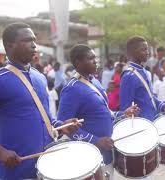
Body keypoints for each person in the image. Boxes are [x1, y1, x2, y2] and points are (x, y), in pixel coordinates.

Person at [0, 22, 80, 180]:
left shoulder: (39, 77)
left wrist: (61, 126)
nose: (34, 45)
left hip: (47, 167)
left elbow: (46, 117)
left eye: (34, 40)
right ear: (10, 46)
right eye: (28, 40)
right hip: (15, 170)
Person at [57, 44, 140, 179]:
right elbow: (64, 127)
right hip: (88, 158)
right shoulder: (72, 88)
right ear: (78, 62)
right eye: (91, 58)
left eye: (95, 58)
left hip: (106, 153)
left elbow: (103, 112)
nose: (96, 61)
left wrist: (123, 113)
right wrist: (96, 140)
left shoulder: (94, 81)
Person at [120, 36, 165, 122]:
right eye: (143, 50)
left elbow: (150, 97)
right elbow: (126, 109)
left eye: (147, 49)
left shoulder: (145, 72)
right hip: (141, 126)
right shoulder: (129, 76)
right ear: (132, 52)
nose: (147, 53)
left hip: (152, 121)